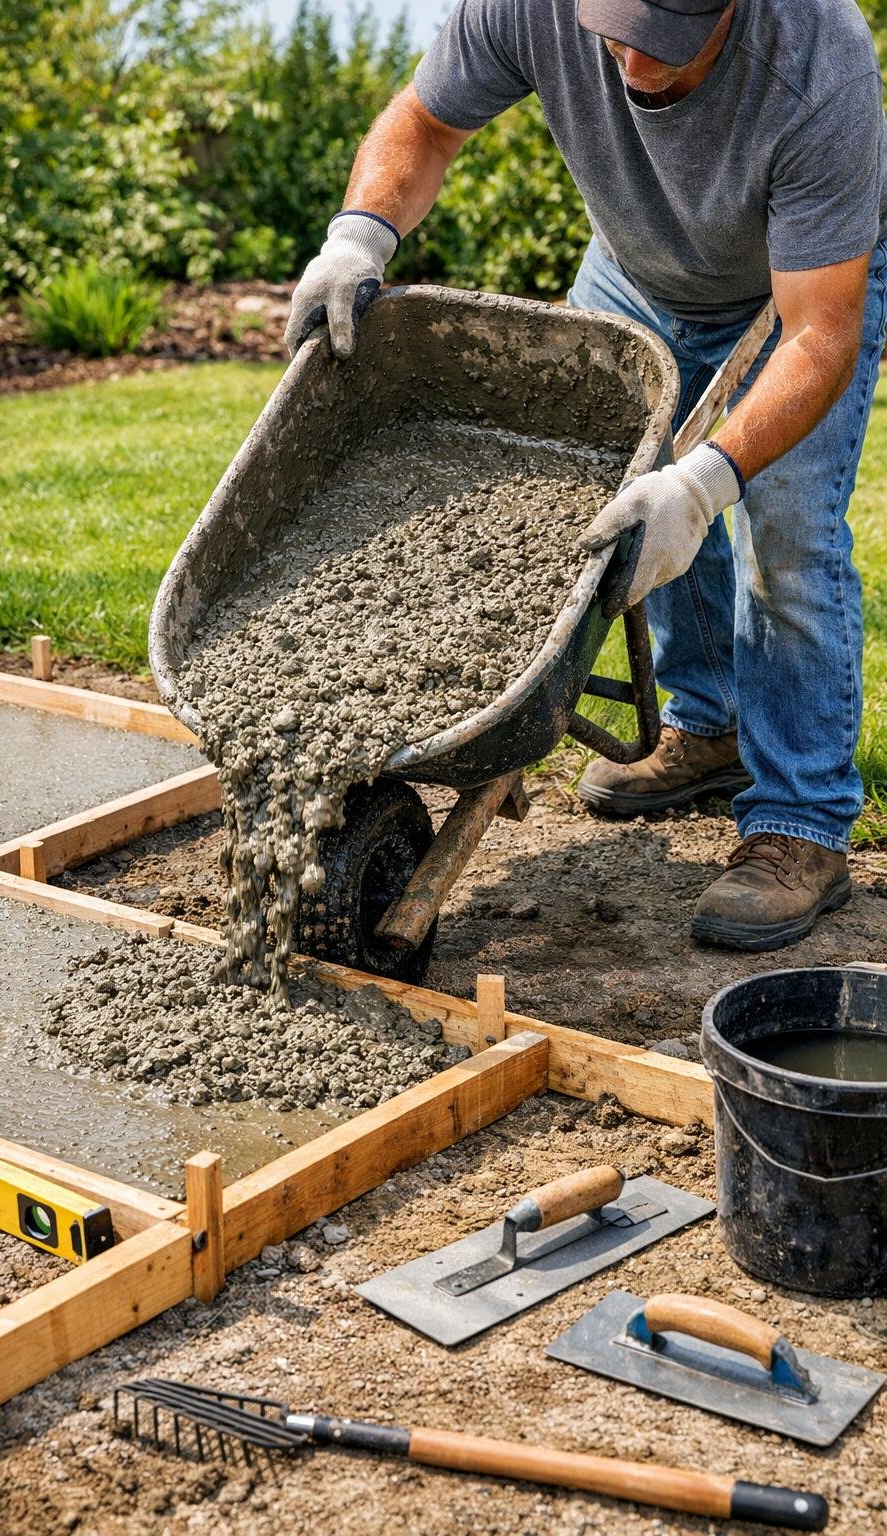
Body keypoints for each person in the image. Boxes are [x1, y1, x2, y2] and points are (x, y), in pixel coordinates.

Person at [284, 0, 887, 953]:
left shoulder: (821, 62)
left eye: (668, 37)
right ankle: (710, 727)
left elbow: (822, 333)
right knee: (615, 512)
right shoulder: (528, 4)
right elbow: (426, 120)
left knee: (788, 534)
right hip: (636, 273)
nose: (635, 59)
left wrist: (705, 483)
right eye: (617, 25)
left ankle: (800, 827)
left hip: (794, 288)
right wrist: (358, 234)